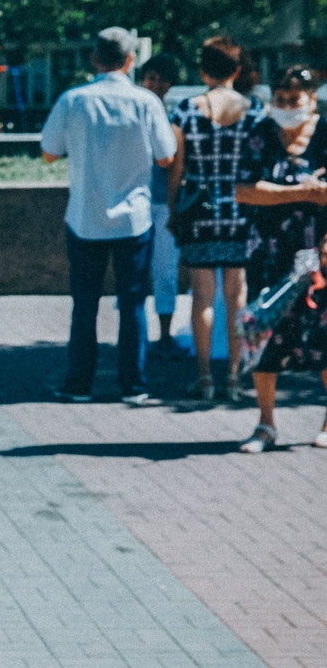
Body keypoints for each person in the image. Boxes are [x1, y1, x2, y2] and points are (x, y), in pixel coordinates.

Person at [39, 28, 178, 405]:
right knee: (133, 303)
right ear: (130, 60)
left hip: (85, 217)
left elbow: (49, 152)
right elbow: (166, 157)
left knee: (84, 303)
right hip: (134, 220)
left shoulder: (73, 100)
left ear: (94, 60)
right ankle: (134, 385)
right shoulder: (146, 101)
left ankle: (78, 383)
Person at [232, 66, 327, 452]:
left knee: (323, 338)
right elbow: (244, 190)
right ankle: (265, 424)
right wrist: (304, 193)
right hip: (269, 254)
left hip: (319, 255)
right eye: (280, 100)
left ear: (312, 99)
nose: (287, 107)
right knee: (264, 335)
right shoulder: (259, 135)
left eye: (295, 100)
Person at [170, 36, 264, 401]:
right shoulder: (254, 111)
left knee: (202, 299)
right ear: (237, 70)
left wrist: (175, 209)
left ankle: (205, 377)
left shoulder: (185, 110)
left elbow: (176, 168)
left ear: (202, 70)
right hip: (241, 213)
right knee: (237, 299)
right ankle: (235, 379)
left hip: (200, 212)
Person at [138, 54, 186, 358]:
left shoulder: (176, 115)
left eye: (162, 79)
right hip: (137, 200)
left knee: (165, 270)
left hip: (166, 202)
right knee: (135, 270)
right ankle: (135, 333)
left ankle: (165, 333)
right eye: (151, 77)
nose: (156, 84)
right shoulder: (135, 109)